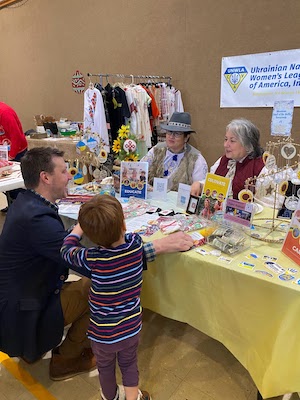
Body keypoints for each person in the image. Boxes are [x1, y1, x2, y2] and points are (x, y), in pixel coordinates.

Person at [0, 146, 194, 380]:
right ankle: (66, 359)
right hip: (23, 310)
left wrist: (82, 227)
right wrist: (162, 245)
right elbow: (104, 266)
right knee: (98, 288)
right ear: (45, 177)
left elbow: (64, 245)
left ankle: (41, 344)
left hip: (23, 295)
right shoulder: (36, 219)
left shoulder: (27, 203)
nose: (70, 176)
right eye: (64, 171)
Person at [61, 195, 151, 400]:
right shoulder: (136, 246)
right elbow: (131, 237)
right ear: (124, 225)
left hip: (102, 333)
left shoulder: (91, 258)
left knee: (105, 368)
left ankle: (109, 397)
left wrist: (78, 228)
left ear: (91, 236)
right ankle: (132, 397)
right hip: (130, 326)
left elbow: (66, 250)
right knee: (129, 364)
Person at [191, 118, 264, 199]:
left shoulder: (261, 167)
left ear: (247, 145)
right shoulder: (224, 160)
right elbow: (212, 182)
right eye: (226, 139)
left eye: (232, 141)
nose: (226, 144)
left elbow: (266, 203)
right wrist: (200, 185)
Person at [141, 112, 208, 191]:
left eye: (177, 133)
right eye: (169, 132)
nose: (171, 136)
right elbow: (140, 169)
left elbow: (199, 187)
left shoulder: (196, 159)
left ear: (186, 137)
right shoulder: (157, 149)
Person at [0, 101, 28, 210]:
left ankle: (20, 207)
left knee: (18, 183)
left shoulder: (5, 112)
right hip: (3, 150)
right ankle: (10, 203)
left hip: (17, 150)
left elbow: (16, 135)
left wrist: (11, 155)